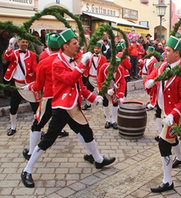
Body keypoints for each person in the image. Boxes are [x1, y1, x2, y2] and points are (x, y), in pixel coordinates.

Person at [21, 29, 116, 188]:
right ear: (65, 46)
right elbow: (70, 79)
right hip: (61, 107)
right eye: (74, 43)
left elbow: (80, 86)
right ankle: (27, 170)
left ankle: (98, 160)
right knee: (48, 139)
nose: (78, 46)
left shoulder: (72, 61)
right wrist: (82, 63)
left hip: (74, 107)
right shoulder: (58, 63)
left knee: (87, 132)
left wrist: (94, 97)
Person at [144, 36, 181, 193]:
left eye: (168, 50)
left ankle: (168, 181)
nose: (164, 52)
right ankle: (180, 158)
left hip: (176, 114)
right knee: (172, 137)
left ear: (177, 54)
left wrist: (174, 114)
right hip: (164, 109)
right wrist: (148, 82)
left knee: (164, 143)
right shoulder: (162, 66)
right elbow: (151, 77)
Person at [20, 33, 69, 161]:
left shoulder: (44, 61)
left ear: (47, 45)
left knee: (37, 125)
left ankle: (31, 152)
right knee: (81, 128)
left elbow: (38, 86)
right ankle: (94, 155)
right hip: (66, 99)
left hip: (49, 98)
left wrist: (28, 87)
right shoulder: (67, 60)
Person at [3, 36, 39, 136]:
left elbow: (34, 67)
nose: (25, 44)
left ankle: (38, 128)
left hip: (29, 84)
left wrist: (41, 73)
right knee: (13, 106)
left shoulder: (31, 54)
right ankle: (13, 127)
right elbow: (6, 57)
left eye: (26, 42)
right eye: (23, 42)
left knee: (35, 106)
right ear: (18, 43)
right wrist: (10, 46)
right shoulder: (13, 53)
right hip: (16, 84)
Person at [97, 58, 126, 129]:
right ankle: (108, 120)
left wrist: (121, 95)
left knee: (115, 103)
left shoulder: (121, 69)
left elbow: (122, 82)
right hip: (105, 88)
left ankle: (113, 121)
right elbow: (99, 81)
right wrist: (106, 90)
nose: (115, 69)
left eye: (117, 67)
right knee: (105, 103)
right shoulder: (103, 68)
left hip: (115, 89)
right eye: (114, 67)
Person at [82, 41, 107, 110]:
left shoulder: (103, 58)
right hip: (90, 77)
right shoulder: (90, 56)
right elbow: (86, 65)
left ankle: (105, 107)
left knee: (102, 92)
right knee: (88, 91)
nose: (96, 49)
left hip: (99, 78)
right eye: (95, 48)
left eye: (98, 48)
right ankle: (88, 104)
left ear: (100, 49)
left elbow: (104, 68)